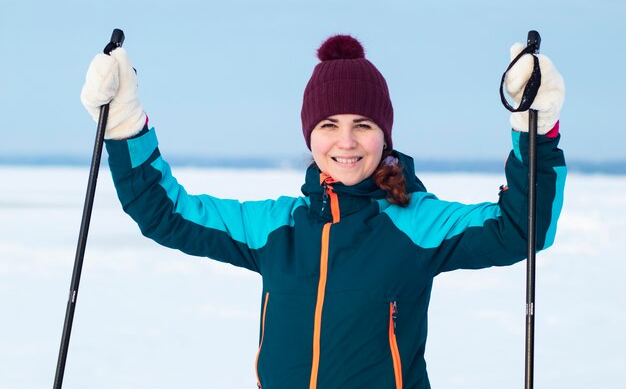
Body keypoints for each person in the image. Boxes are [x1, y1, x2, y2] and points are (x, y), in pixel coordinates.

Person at [80, 34, 566, 389]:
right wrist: (125, 127)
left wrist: (534, 132)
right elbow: (165, 213)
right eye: (329, 125)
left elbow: (522, 228)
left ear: (385, 135)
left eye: (364, 124)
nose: (347, 142)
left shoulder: (415, 222)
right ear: (310, 136)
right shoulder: (278, 227)